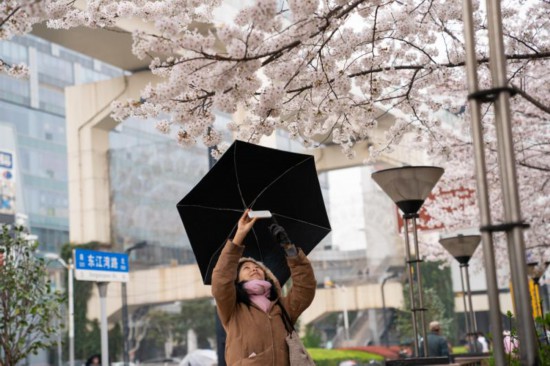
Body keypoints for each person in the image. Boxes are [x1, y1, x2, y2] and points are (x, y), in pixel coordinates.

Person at [211, 209, 316, 365]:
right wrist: (239, 235)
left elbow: (305, 287)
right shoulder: (232, 307)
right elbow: (221, 280)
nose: (253, 269)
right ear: (236, 279)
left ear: (267, 276)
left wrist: (290, 249)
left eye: (258, 267)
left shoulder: (281, 306)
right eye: (246, 268)